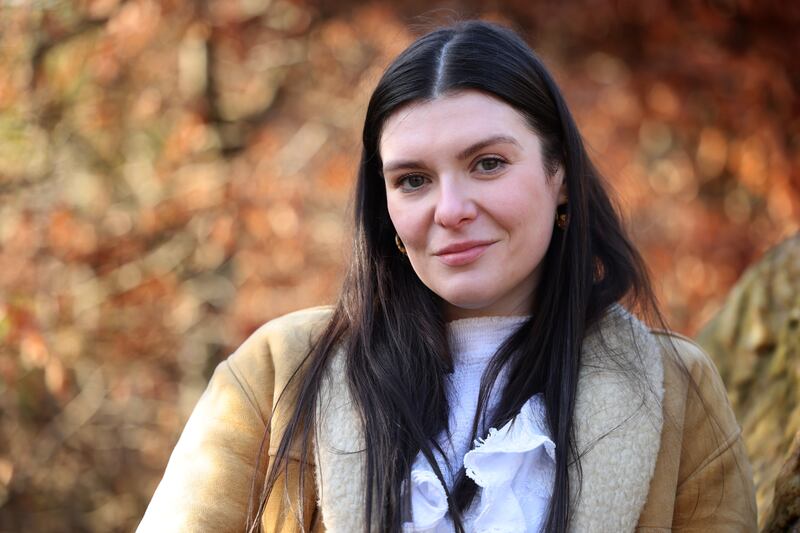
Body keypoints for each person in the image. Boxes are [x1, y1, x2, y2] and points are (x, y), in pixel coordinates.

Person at [137, 20, 757, 533]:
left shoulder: (676, 390)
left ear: (558, 172)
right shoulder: (276, 371)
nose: (451, 209)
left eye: (487, 164)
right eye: (413, 180)